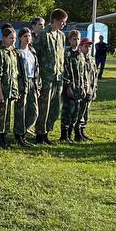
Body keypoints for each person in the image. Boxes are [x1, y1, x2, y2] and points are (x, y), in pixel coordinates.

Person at [34, 9, 69, 143]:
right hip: (46, 77)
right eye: (62, 22)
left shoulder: (61, 36)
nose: (63, 24)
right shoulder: (44, 34)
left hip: (58, 77)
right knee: (44, 106)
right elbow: (36, 55)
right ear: (54, 20)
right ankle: (40, 134)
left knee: (54, 107)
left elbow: (61, 58)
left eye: (65, 22)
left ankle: (47, 131)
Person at [0, 24, 20, 147]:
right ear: (5, 38)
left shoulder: (12, 53)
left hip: (10, 89)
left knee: (7, 116)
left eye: (14, 38)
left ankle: (4, 137)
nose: (13, 40)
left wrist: (15, 90)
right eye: (11, 38)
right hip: (1, 90)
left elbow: (14, 74)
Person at [14, 26, 39, 147]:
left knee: (34, 111)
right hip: (22, 82)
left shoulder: (32, 51)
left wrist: (37, 86)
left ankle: (26, 128)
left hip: (32, 81)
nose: (28, 38)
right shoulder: (17, 52)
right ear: (20, 38)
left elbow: (36, 69)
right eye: (25, 36)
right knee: (21, 110)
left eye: (29, 36)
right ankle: (19, 136)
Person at [60, 29, 84, 142]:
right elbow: (64, 71)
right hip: (70, 88)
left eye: (78, 39)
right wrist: (68, 86)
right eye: (74, 39)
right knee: (67, 112)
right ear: (69, 40)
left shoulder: (80, 54)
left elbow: (82, 73)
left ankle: (70, 135)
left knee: (75, 113)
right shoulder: (67, 54)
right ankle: (64, 136)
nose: (77, 41)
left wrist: (83, 87)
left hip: (79, 88)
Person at [75, 36, 96, 140]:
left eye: (89, 46)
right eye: (86, 46)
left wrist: (94, 89)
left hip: (90, 89)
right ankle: (77, 132)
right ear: (81, 46)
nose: (88, 48)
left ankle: (82, 131)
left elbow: (94, 75)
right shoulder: (79, 58)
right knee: (80, 112)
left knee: (86, 111)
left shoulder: (91, 59)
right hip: (82, 89)